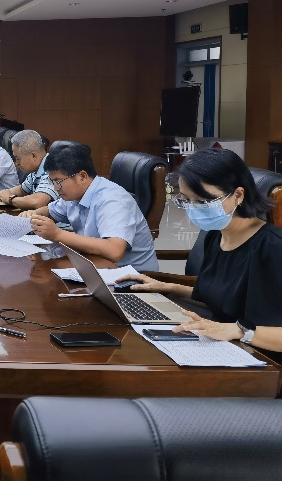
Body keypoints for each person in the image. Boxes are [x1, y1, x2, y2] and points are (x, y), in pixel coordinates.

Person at [116, 148, 282, 356]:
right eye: (186, 200)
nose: (193, 208)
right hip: (220, 345)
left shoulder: (273, 247)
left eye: (203, 201)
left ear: (238, 195)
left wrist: (239, 331)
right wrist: (168, 287)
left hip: (262, 359)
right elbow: (218, 298)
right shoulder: (217, 235)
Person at [21, 143, 158, 271]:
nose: (56, 188)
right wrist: (33, 214)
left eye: (58, 181)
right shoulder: (73, 194)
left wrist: (57, 234)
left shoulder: (112, 200)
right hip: (94, 264)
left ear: (82, 176)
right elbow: (51, 211)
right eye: (52, 182)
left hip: (131, 277)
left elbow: (114, 251)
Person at [0, 129, 58, 209]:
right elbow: (22, 190)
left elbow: (37, 202)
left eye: (18, 159)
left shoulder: (52, 168)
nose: (17, 163)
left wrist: (10, 199)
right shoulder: (36, 170)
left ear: (33, 155)